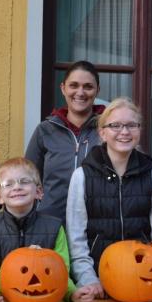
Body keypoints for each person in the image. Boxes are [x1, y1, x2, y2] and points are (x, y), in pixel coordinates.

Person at [66, 97, 152, 300]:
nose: (124, 132)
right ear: (102, 133)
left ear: (139, 131)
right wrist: (87, 279)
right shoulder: (82, 176)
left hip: (143, 277)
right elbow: (76, 237)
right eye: (115, 125)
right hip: (99, 281)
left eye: (131, 125)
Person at [0, 157, 96, 302]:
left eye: (24, 181)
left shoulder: (54, 227)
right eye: (8, 184)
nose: (17, 187)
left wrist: (72, 294)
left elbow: (61, 272)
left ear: (39, 192)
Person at [25, 60, 104, 222]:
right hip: (50, 223)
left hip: (96, 224)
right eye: (73, 85)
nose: (80, 92)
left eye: (88, 86)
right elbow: (28, 179)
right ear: (63, 88)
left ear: (97, 90)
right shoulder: (45, 131)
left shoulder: (108, 131)